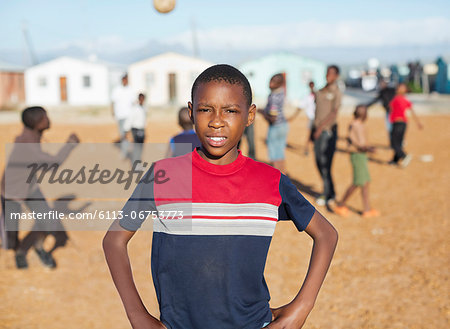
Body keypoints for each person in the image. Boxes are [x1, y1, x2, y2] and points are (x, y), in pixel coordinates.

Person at [103, 64, 338, 329]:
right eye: (205, 109)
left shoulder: (270, 181)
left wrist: (302, 307)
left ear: (250, 116)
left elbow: (326, 234)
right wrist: (138, 316)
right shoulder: (162, 176)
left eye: (230, 111)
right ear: (191, 112)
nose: (216, 121)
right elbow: (114, 239)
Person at [0, 106, 79, 269]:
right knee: (11, 235)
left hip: (30, 187)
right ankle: (17, 250)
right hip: (11, 191)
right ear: (37, 124)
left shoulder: (32, 134)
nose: (48, 119)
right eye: (44, 118)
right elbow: (54, 164)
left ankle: (32, 248)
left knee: (48, 221)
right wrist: (70, 145)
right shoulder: (28, 146)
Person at [334, 105, 380, 218]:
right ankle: (341, 205)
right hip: (357, 155)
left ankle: (367, 209)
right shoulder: (354, 126)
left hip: (362, 155)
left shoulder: (359, 125)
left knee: (365, 182)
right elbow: (357, 143)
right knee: (357, 182)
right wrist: (369, 149)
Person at [313, 65, 342, 206]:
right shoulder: (321, 90)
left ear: (336, 76)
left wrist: (321, 127)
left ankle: (326, 193)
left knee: (325, 162)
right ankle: (331, 191)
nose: (328, 76)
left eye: (331, 74)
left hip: (327, 132)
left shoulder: (336, 92)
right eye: (327, 73)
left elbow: (334, 113)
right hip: (317, 130)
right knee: (318, 161)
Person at [258, 73, 298, 173]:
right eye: (271, 80)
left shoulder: (274, 97)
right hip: (283, 125)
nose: (270, 84)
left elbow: (273, 118)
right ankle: (282, 176)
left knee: (274, 155)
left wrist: (262, 112)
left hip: (276, 127)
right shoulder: (280, 93)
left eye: (274, 82)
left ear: (279, 84)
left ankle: (278, 178)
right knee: (280, 154)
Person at [388, 83, 423, 167]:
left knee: (394, 143)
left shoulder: (402, 99)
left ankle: (404, 156)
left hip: (399, 123)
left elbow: (412, 111)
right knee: (398, 143)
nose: (398, 89)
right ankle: (395, 160)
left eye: (401, 88)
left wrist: (418, 122)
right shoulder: (397, 98)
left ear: (405, 90)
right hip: (400, 123)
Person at [111, 74, 135, 158]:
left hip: (129, 116)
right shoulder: (117, 90)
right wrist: (113, 112)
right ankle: (124, 152)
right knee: (122, 134)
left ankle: (129, 151)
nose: (125, 81)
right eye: (124, 80)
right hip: (120, 115)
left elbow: (133, 103)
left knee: (128, 134)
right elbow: (113, 102)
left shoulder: (130, 90)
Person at [125, 93, 147, 166]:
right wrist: (126, 130)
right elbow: (130, 119)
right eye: (140, 99)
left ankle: (138, 163)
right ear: (138, 99)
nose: (142, 100)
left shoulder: (144, 108)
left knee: (140, 147)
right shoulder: (135, 108)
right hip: (135, 129)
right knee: (136, 147)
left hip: (142, 130)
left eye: (143, 99)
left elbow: (144, 120)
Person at [301, 81, 316, 156]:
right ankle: (306, 149)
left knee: (316, 134)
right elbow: (301, 106)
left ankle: (314, 148)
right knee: (309, 134)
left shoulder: (317, 95)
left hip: (317, 118)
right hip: (311, 117)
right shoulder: (307, 97)